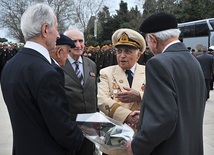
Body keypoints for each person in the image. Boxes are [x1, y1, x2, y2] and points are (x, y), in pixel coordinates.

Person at [0, 4, 84, 155]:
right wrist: (81, 138)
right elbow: (62, 129)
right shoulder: (47, 72)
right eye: (56, 29)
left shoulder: (9, 66)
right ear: (45, 30)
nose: (58, 35)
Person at [125, 12, 206, 155]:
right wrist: (145, 112)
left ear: (153, 39)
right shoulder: (194, 61)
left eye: (148, 43)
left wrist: (138, 145)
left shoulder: (158, 63)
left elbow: (163, 119)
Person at [98, 28, 146, 155]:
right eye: (119, 51)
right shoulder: (106, 73)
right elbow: (102, 101)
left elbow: (159, 97)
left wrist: (140, 96)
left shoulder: (150, 72)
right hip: (115, 139)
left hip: (141, 138)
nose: (122, 55)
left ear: (138, 55)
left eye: (128, 51)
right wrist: (128, 117)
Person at [62, 27, 98, 155]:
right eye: (74, 41)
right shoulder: (59, 65)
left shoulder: (91, 64)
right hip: (69, 128)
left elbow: (94, 93)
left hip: (90, 128)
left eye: (81, 41)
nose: (78, 45)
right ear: (67, 44)